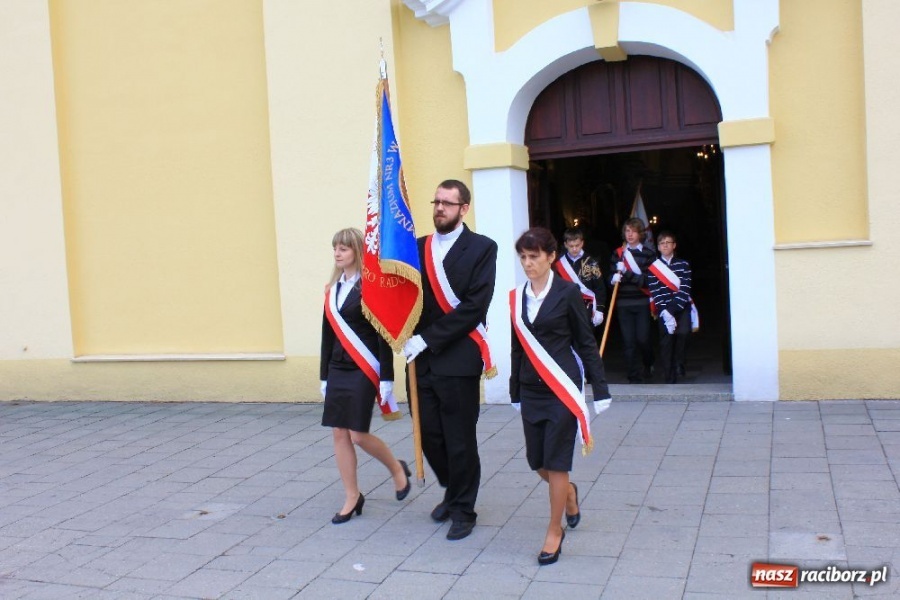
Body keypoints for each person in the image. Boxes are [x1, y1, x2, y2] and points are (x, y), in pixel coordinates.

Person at [509, 227, 612, 566]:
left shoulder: (567, 293)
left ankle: (554, 531)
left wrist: (599, 388)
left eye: (534, 256)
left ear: (551, 257)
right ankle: (568, 493)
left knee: (556, 462)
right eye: (523, 257)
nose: (528, 264)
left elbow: (585, 342)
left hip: (561, 389)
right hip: (530, 389)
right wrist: (514, 389)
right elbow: (517, 347)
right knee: (535, 460)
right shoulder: (516, 297)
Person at [402, 179, 498, 541]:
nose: (439, 208)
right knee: (428, 435)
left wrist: (428, 338)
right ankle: (452, 488)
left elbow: (475, 306)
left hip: (458, 357)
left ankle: (463, 508)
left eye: (448, 203)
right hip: (419, 359)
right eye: (436, 201)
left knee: (458, 438)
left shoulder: (483, 248)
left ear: (464, 209)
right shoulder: (418, 247)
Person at [320, 227, 411, 525]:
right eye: (335, 248)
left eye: (344, 248)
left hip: (363, 367)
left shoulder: (371, 288)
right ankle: (352, 495)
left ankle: (397, 469)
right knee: (338, 433)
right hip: (337, 367)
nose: (337, 253)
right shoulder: (332, 290)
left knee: (357, 434)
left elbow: (383, 334)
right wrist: (323, 376)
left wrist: (387, 377)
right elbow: (327, 335)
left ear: (358, 251)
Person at [609, 218, 656, 383]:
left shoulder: (649, 254)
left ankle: (648, 363)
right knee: (628, 341)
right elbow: (611, 278)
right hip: (623, 303)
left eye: (633, 231)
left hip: (642, 302)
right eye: (627, 231)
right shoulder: (618, 254)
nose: (629, 234)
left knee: (643, 339)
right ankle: (633, 374)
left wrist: (627, 274)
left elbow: (649, 281)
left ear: (640, 233)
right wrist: (613, 279)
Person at [647, 231, 693, 383]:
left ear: (674, 245)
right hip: (663, 309)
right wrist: (665, 311)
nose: (665, 245)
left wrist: (672, 309)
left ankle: (679, 362)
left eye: (668, 242)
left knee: (683, 334)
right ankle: (668, 374)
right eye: (662, 243)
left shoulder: (683, 265)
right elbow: (655, 291)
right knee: (666, 341)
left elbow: (685, 289)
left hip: (681, 307)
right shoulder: (654, 268)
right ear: (658, 247)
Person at [554, 227, 607, 331]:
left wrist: (600, 309)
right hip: (566, 309)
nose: (574, 249)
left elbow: (600, 288)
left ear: (582, 243)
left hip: (586, 308)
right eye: (571, 246)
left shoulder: (591, 262)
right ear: (565, 245)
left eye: (577, 245)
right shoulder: (559, 263)